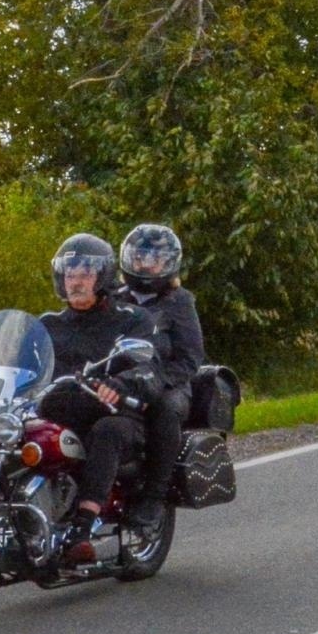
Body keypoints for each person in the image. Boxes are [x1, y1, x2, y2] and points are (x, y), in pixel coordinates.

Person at [39, 233, 162, 564]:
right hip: (61, 408)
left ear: (103, 277)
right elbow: (19, 363)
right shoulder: (47, 325)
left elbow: (149, 369)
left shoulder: (131, 319)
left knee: (107, 431)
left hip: (118, 414)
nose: (75, 281)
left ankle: (83, 527)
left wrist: (121, 383)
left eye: (84, 274)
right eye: (70, 274)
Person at [116, 224, 205, 529]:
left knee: (164, 411)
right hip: (123, 379)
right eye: (139, 256)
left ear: (168, 263)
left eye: (154, 258)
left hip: (170, 383)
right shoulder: (113, 299)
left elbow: (191, 357)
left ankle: (155, 495)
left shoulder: (179, 302)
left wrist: (156, 382)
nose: (145, 264)